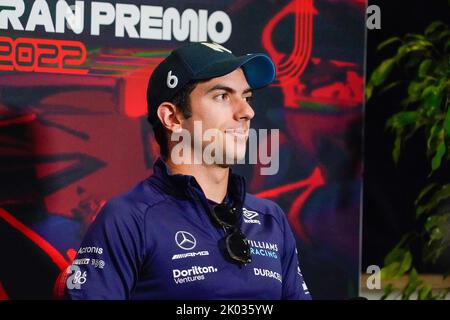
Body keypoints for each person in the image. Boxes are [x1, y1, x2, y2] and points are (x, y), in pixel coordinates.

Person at [64, 42, 311, 300]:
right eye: (222, 96)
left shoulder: (270, 218)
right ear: (172, 118)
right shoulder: (128, 219)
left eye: (246, 97)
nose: (247, 112)